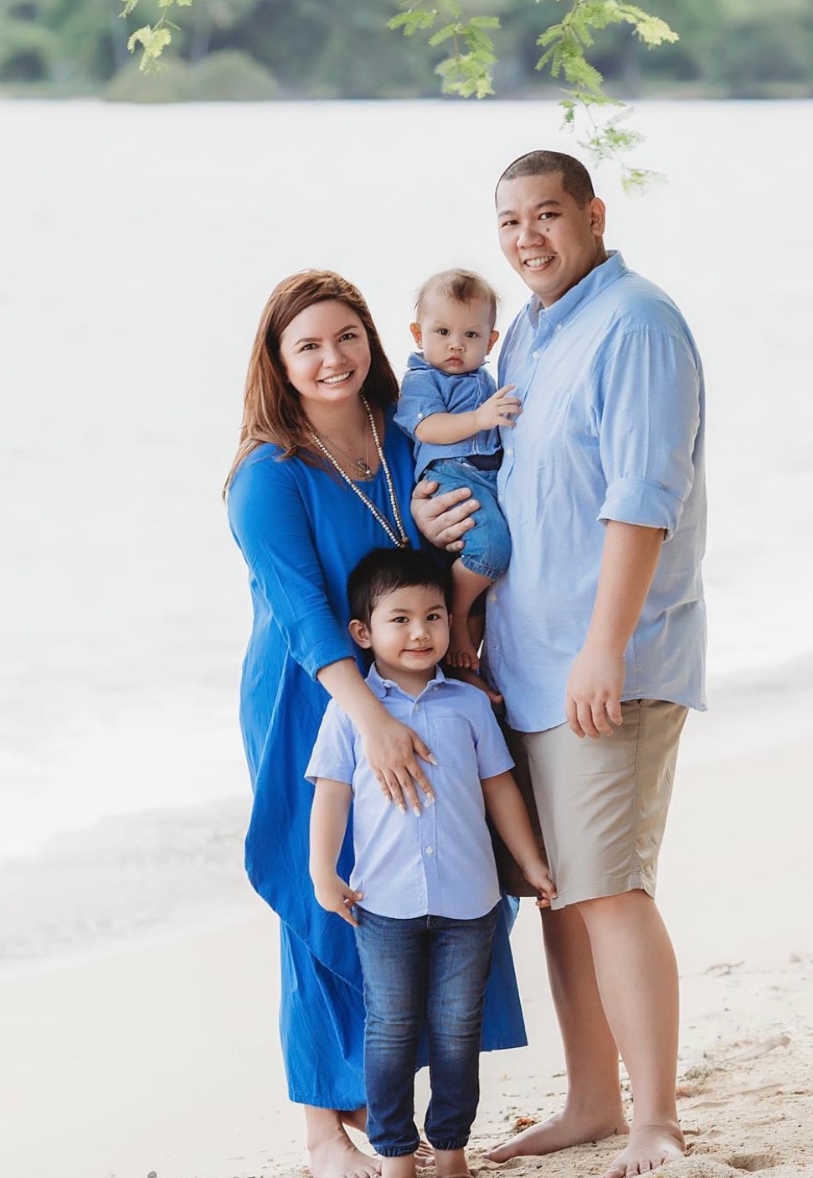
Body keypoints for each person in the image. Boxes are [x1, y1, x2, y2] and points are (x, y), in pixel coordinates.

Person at [412, 150, 707, 1178]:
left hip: (605, 663)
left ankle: (654, 1120)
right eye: (508, 221)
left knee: (609, 887)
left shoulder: (634, 323)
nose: (526, 235)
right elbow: (515, 487)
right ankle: (590, 1099)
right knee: (562, 892)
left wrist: (600, 647)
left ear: (591, 212)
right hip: (529, 663)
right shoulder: (531, 331)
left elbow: (642, 498)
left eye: (546, 214)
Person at [224, 270, 528, 1178]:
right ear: (278, 363)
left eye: (345, 336)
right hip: (312, 697)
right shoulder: (266, 474)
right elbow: (306, 613)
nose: (331, 358)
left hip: (419, 682)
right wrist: (370, 725)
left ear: (374, 339)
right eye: (307, 345)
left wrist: (451, 565)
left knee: (432, 877)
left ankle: (404, 1106)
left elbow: (431, 548)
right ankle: (324, 1129)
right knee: (323, 893)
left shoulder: (400, 433)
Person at [307, 547, 556, 1178]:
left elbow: (500, 787)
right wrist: (322, 873)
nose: (421, 632)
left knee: (456, 1030)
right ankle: (395, 1154)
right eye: (401, 619)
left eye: (435, 616)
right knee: (389, 1029)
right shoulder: (352, 713)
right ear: (363, 632)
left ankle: (451, 1152)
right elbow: (330, 795)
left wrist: (530, 863)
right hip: (383, 904)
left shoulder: (469, 706)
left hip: (470, 902)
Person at [395, 269, 521, 670]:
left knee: (494, 557)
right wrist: (480, 419)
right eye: (442, 332)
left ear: (490, 341)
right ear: (418, 334)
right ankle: (456, 614)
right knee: (494, 549)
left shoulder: (482, 378)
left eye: (470, 336)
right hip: (449, 473)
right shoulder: (421, 379)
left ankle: (470, 644)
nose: (455, 345)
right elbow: (428, 427)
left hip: (482, 476)